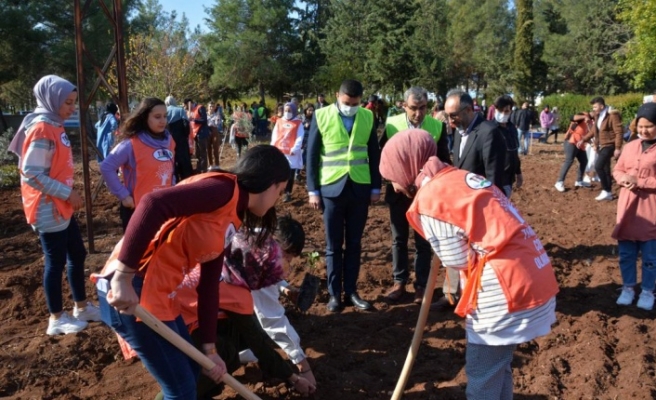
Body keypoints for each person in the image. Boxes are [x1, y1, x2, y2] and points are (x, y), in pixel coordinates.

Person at [97, 145, 291, 399]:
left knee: (191, 370)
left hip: (160, 294)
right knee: (181, 391)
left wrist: (210, 350)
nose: (278, 198)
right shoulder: (222, 190)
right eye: (280, 190)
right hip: (131, 292)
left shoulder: (232, 214)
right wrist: (123, 276)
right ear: (270, 183)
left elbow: (209, 285)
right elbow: (153, 203)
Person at [379, 129, 558, 400]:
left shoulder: (431, 197)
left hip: (505, 292)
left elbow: (457, 260)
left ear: (406, 165)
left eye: (392, 177)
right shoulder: (457, 176)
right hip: (533, 274)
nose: (393, 187)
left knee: (482, 376)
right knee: (499, 367)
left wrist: (442, 243)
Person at [8, 75, 101, 335]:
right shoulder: (42, 128)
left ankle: (81, 307)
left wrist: (66, 193)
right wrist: (66, 193)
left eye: (73, 102)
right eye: (68, 103)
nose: (72, 108)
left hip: (59, 204)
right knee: (55, 261)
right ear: (52, 100)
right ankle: (56, 319)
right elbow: (32, 173)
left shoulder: (54, 125)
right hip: (47, 206)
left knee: (77, 254)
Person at [306, 79, 381, 312]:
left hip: (359, 187)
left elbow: (373, 153)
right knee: (333, 245)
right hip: (330, 189)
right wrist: (312, 190)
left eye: (356, 103)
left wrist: (376, 187)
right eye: (347, 102)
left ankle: (351, 291)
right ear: (337, 96)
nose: (351, 106)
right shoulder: (321, 115)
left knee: (355, 244)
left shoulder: (368, 117)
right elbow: (311, 154)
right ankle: (334, 294)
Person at [380, 86, 451, 304]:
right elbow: (383, 158)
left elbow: (443, 161)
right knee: (398, 239)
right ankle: (399, 281)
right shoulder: (392, 125)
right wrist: (393, 181)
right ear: (403, 105)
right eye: (413, 108)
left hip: (426, 195)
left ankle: (421, 285)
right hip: (398, 194)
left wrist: (427, 182)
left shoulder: (437, 126)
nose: (418, 113)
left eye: (422, 108)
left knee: (423, 241)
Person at [100, 97, 175, 231]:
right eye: (157, 117)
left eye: (165, 116)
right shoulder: (131, 143)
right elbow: (107, 167)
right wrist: (123, 195)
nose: (163, 121)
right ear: (145, 117)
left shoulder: (169, 141)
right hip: (137, 210)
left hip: (162, 208)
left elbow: (170, 170)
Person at [611, 102, 656, 310]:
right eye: (640, 126)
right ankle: (628, 287)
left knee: (650, 256)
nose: (643, 130)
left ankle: (648, 290)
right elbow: (617, 170)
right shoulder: (630, 147)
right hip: (628, 208)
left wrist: (641, 182)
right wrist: (623, 179)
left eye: (648, 126)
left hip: (650, 210)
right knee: (627, 254)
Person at [580, 96, 624, 201]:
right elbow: (593, 131)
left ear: (601, 106)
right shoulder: (598, 115)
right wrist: (584, 139)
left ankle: (606, 190)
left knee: (598, 166)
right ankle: (608, 192)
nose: (593, 109)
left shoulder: (612, 115)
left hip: (610, 145)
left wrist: (618, 147)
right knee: (605, 168)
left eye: (595, 107)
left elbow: (619, 132)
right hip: (601, 145)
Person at [271, 102, 305, 203]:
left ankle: (288, 193)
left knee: (290, 174)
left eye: (289, 111)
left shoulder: (298, 123)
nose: (287, 112)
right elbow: (275, 135)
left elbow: (300, 137)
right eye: (285, 110)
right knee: (279, 172)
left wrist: (295, 148)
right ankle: (277, 191)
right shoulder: (279, 121)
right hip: (280, 151)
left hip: (291, 153)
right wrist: (272, 147)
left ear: (294, 111)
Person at [491, 95, 523, 198]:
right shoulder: (490, 129)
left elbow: (514, 152)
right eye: (500, 110)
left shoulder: (512, 128)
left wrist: (518, 173)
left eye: (506, 111)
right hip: (494, 180)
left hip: (508, 179)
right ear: (495, 109)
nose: (503, 114)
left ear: (510, 111)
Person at [554, 113, 593, 192]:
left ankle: (579, 181)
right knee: (569, 161)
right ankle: (559, 182)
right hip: (571, 142)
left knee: (584, 161)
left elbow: (586, 135)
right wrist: (585, 116)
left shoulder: (591, 122)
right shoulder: (584, 115)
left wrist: (592, 143)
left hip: (580, 144)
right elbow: (572, 117)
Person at [164, 95, 193, 181]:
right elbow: (186, 124)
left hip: (168, 139)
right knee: (184, 159)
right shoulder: (180, 110)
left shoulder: (164, 112)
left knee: (172, 159)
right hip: (181, 138)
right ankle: (186, 178)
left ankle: (175, 178)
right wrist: (186, 135)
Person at [185, 98, 210, 173]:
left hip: (202, 133)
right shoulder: (190, 111)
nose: (185, 107)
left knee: (203, 152)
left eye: (185, 105)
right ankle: (199, 168)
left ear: (189, 103)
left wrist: (194, 120)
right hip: (195, 133)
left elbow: (204, 120)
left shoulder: (200, 108)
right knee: (197, 153)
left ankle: (203, 169)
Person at [207, 102, 223, 168]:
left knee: (215, 148)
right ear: (208, 107)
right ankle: (210, 164)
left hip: (214, 130)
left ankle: (217, 164)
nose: (211, 108)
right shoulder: (205, 115)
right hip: (207, 131)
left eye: (213, 106)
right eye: (210, 106)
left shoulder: (216, 115)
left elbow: (217, 123)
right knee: (208, 148)